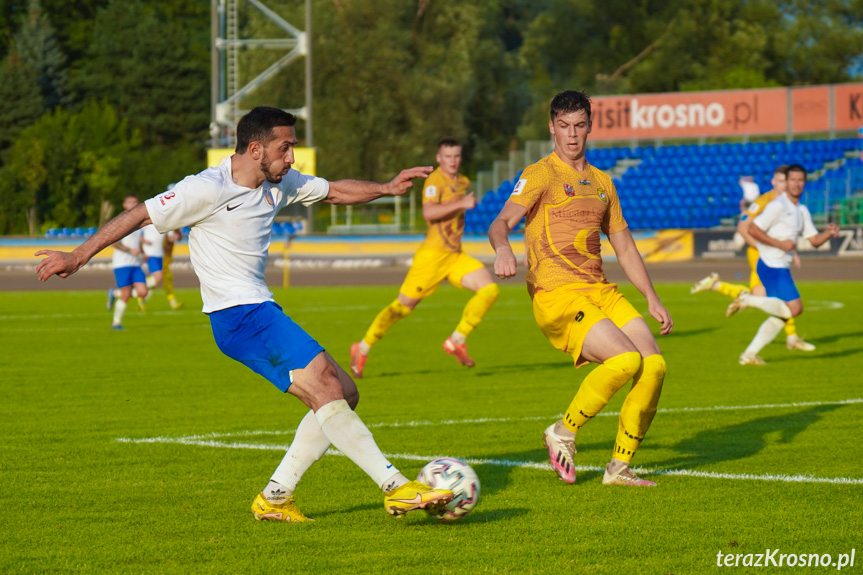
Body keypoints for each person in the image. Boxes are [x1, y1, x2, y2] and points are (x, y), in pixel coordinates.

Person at [35, 106, 453, 522]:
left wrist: (387, 187)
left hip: (258, 308)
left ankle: (276, 497)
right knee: (326, 384)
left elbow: (335, 191)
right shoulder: (205, 188)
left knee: (344, 393)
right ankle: (397, 487)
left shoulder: (279, 182)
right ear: (255, 148)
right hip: (238, 314)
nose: (291, 158)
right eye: (285, 147)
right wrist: (78, 255)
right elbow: (140, 214)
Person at [488, 90, 673, 487]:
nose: (572, 135)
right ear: (552, 127)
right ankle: (563, 431)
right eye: (564, 127)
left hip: (599, 290)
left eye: (580, 126)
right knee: (625, 361)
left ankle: (619, 467)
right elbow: (500, 222)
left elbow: (623, 245)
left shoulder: (603, 182)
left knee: (654, 366)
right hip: (557, 293)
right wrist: (503, 249)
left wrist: (652, 297)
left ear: (590, 126)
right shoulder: (541, 173)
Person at [349, 137, 499, 378]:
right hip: (431, 257)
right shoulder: (434, 180)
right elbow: (429, 213)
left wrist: (463, 202)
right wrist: (461, 203)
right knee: (401, 309)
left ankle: (457, 340)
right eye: (448, 157)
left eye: (456, 156)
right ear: (439, 158)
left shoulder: (463, 181)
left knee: (490, 290)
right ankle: (362, 347)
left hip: (455, 256)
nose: (453, 161)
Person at [691, 165, 816, 351]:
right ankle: (721, 287)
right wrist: (765, 247)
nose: (786, 185)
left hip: (776, 255)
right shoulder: (765, 201)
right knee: (768, 297)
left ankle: (791, 337)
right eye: (782, 181)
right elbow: (743, 227)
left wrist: (789, 251)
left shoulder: (788, 204)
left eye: (787, 181)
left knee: (780, 298)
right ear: (774, 182)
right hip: (763, 256)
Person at [725, 164, 839, 365]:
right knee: (795, 309)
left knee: (784, 314)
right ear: (786, 183)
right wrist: (779, 244)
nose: (796, 184)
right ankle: (748, 299)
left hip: (780, 266)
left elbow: (813, 240)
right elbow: (752, 229)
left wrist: (829, 232)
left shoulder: (801, 210)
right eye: (792, 180)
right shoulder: (777, 205)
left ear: (805, 183)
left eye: (800, 180)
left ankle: (749, 355)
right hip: (770, 264)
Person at [105, 194, 148, 329]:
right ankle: (116, 323)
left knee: (143, 292)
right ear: (124, 205)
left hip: (135, 263)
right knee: (126, 294)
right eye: (130, 202)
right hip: (122, 263)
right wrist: (129, 250)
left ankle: (114, 293)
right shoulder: (120, 221)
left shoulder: (139, 222)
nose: (133, 205)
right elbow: (112, 242)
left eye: (135, 202)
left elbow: (137, 241)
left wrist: (142, 251)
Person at [141, 221, 184, 310]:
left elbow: (172, 237)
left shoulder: (163, 221)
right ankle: (173, 302)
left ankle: (141, 300)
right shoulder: (146, 222)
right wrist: (143, 242)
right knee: (163, 278)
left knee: (157, 280)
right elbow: (136, 234)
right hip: (150, 254)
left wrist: (177, 236)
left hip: (161, 255)